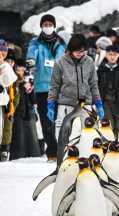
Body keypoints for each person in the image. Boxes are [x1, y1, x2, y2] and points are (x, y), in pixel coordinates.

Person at [47, 34, 104, 139]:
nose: (80, 54)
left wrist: (98, 103)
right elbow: (54, 85)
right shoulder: (60, 63)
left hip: (85, 106)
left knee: (87, 138)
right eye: (77, 51)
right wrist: (51, 104)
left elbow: (93, 84)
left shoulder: (89, 62)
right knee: (63, 137)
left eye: (82, 51)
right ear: (70, 50)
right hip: (66, 106)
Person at [26, 14, 65, 162]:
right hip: (42, 88)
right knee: (46, 121)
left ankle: (63, 149)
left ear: (54, 26)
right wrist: (30, 60)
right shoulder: (35, 42)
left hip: (59, 87)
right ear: (42, 26)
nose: (47, 26)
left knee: (59, 120)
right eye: (45, 24)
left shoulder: (62, 43)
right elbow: (32, 52)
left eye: (50, 24)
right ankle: (52, 151)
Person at [97, 45, 119, 138]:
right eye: (110, 54)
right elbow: (95, 86)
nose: (112, 57)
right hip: (105, 103)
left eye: (115, 54)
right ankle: (109, 146)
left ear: (118, 56)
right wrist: (95, 102)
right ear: (106, 55)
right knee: (109, 125)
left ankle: (116, 145)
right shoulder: (101, 70)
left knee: (118, 126)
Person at [10, 59, 41, 160]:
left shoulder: (29, 79)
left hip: (29, 111)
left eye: (23, 69)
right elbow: (14, 97)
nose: (21, 71)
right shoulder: (13, 79)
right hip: (17, 111)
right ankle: (17, 155)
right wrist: (21, 86)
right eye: (19, 69)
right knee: (19, 137)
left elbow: (34, 100)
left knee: (32, 137)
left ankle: (34, 155)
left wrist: (31, 89)